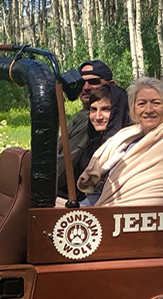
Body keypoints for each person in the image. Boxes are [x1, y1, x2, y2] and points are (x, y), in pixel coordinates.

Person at [77, 77, 163, 206]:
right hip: (103, 207)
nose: (148, 110)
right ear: (133, 108)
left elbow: (153, 197)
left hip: (138, 218)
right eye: (141, 103)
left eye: (156, 103)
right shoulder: (128, 138)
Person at [56, 60, 132, 203]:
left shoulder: (113, 121)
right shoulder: (86, 118)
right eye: (81, 83)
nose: (86, 87)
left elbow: (67, 161)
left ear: (111, 85)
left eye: (94, 82)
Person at [71, 87, 116, 181]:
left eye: (106, 109)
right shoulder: (92, 142)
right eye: (93, 110)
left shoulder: (124, 145)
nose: (98, 117)